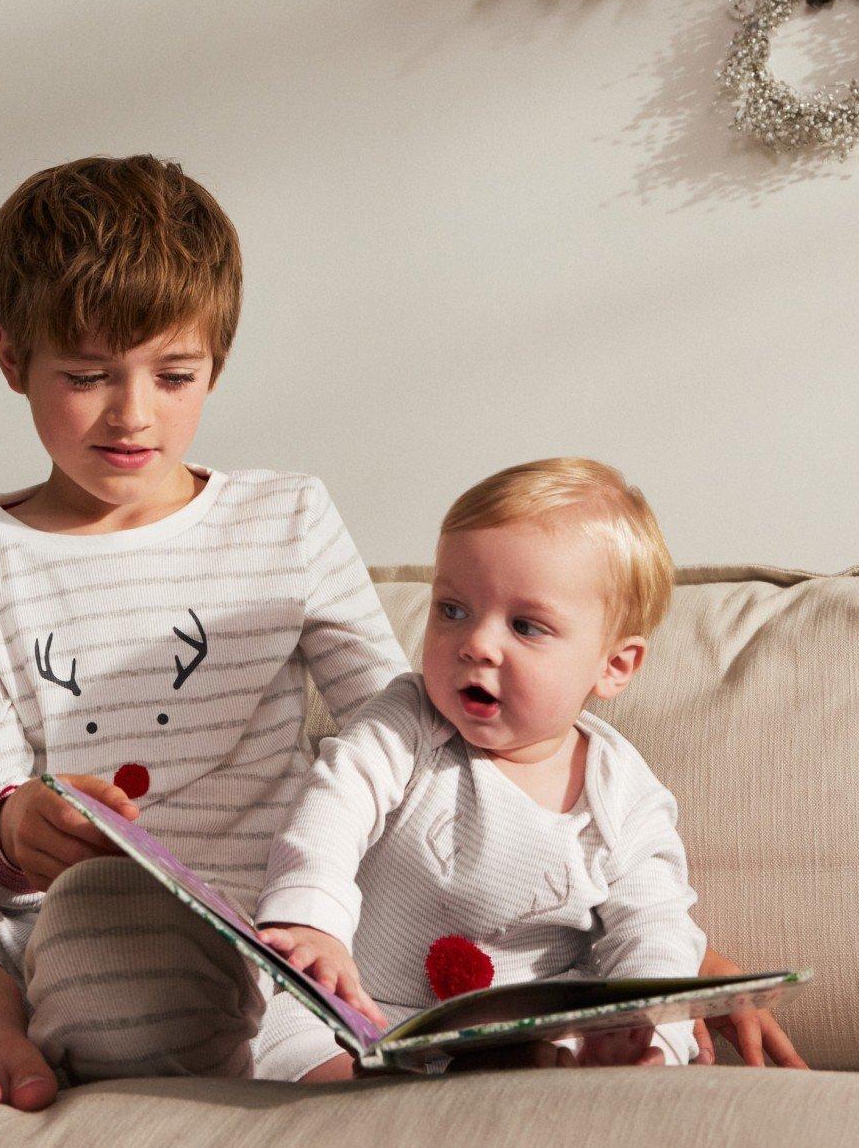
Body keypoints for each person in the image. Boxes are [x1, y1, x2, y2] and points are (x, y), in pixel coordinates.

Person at [0, 155, 802, 1113]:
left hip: (261, 956)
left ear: (216, 362)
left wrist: (661, 954)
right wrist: (19, 824)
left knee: (147, 964)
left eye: (174, 376)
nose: (132, 413)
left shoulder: (285, 517)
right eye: (86, 374)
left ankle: (145, 1036)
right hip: (40, 940)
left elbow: (425, 739)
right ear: (11, 354)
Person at [256, 459, 754, 1079]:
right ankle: (354, 1095)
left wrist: (650, 1025)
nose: (477, 644)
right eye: (452, 610)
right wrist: (311, 922)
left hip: (514, 1024)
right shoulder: (408, 721)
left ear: (615, 665)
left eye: (525, 626)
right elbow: (335, 802)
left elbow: (653, 924)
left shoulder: (622, 794)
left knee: (589, 1027)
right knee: (276, 1030)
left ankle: (586, 1064)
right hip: (357, 1006)